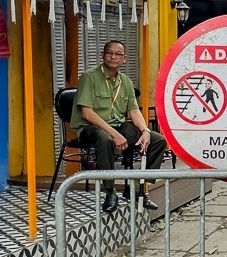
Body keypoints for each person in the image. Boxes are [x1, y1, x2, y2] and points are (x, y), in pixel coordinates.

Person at [71, 40, 167, 213]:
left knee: (157, 140)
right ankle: (110, 191)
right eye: (109, 53)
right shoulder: (89, 77)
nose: (113, 57)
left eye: (117, 54)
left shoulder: (126, 82)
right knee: (104, 139)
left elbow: (134, 111)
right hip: (90, 128)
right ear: (103, 55)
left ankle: (136, 189)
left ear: (124, 58)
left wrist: (145, 131)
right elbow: (87, 113)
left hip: (118, 126)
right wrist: (114, 134)